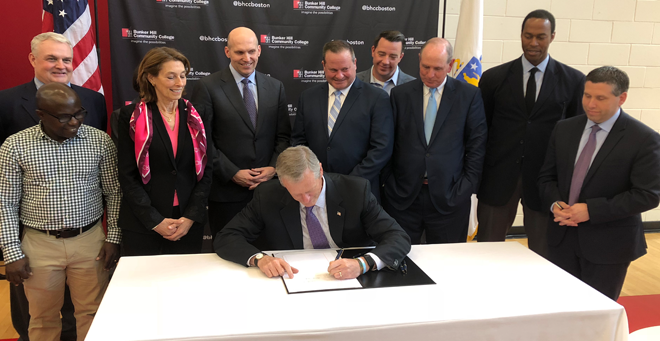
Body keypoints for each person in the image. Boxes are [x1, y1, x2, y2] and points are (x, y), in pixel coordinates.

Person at [0, 32, 108, 341]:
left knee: (89, 310)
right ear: (33, 59)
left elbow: (96, 165)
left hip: (85, 233)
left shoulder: (93, 100)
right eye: (51, 58)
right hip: (33, 233)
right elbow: (4, 191)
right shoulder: (6, 102)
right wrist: (10, 247)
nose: (60, 65)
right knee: (37, 314)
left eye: (66, 59)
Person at [538, 66, 660, 301]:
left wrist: (591, 210)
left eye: (600, 98)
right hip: (560, 239)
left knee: (596, 316)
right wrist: (554, 203)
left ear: (621, 98)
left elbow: (648, 194)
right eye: (587, 95)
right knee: (558, 308)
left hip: (609, 246)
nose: (590, 104)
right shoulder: (565, 129)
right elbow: (546, 176)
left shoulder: (644, 139)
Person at [476, 10, 585, 257]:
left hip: (546, 180)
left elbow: (575, 137)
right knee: (486, 253)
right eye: (528, 36)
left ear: (552, 37)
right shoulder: (494, 78)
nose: (533, 43)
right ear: (521, 35)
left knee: (546, 253)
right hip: (499, 178)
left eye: (541, 37)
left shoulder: (574, 81)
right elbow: (481, 130)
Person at [215, 146, 411, 280]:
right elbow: (227, 237)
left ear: (320, 170)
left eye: (310, 191)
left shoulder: (355, 191)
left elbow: (397, 237)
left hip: (349, 277)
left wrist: (363, 263)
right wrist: (260, 259)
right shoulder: (268, 195)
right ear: (283, 183)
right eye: (297, 194)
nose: (307, 201)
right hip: (294, 277)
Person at [383, 38, 487, 244]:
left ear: (450, 65)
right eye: (425, 67)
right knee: (401, 259)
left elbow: (477, 146)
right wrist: (390, 185)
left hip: (450, 198)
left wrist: (464, 189)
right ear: (419, 60)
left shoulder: (468, 96)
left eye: (438, 69)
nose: (430, 74)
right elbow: (388, 144)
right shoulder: (400, 95)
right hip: (404, 198)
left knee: (446, 263)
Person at [191, 27, 290, 244]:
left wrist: (274, 168)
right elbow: (201, 142)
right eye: (239, 52)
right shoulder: (207, 87)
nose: (247, 58)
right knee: (229, 256)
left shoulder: (275, 87)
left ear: (259, 51)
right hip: (226, 194)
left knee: (270, 259)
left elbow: (284, 136)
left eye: (252, 51)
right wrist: (233, 172)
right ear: (227, 51)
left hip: (269, 191)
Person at [117, 47, 212, 256]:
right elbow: (127, 176)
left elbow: (207, 170)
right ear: (151, 78)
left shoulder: (196, 115)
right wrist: (155, 221)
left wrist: (190, 217)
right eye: (171, 77)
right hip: (143, 225)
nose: (180, 83)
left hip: (187, 223)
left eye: (183, 76)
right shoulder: (130, 117)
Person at [291, 40, 393, 201]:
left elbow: (381, 149)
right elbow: (298, 142)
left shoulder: (376, 98)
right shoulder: (308, 97)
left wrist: (348, 182)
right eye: (333, 70)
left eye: (345, 69)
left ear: (355, 64)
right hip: (315, 191)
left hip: (359, 190)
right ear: (323, 66)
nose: (339, 75)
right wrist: (313, 178)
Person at [356, 30, 416, 94]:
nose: (385, 62)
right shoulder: (354, 82)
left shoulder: (414, 87)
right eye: (381, 54)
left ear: (400, 57)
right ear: (373, 51)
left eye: (392, 57)